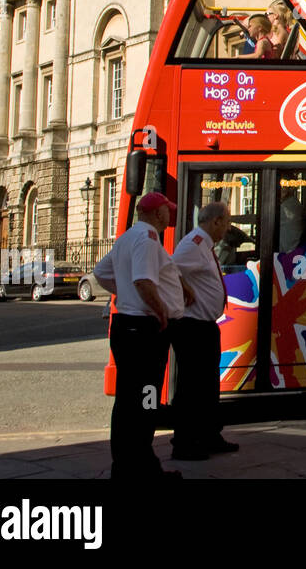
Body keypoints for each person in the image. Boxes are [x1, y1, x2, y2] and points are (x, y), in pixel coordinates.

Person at [92, 192, 187, 480]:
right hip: (144, 331)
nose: (170, 215)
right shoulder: (147, 239)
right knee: (146, 398)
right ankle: (142, 466)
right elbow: (144, 280)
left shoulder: (126, 237)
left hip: (126, 326)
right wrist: (158, 310)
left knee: (127, 400)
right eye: (167, 210)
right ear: (157, 213)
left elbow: (100, 272)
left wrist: (126, 294)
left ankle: (125, 464)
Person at [169, 202, 240, 461]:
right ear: (216, 221)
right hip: (192, 326)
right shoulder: (194, 242)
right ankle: (184, 443)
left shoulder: (203, 244)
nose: (229, 227)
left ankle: (210, 436)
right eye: (228, 221)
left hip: (204, 325)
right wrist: (185, 289)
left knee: (208, 386)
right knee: (192, 387)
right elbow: (169, 269)